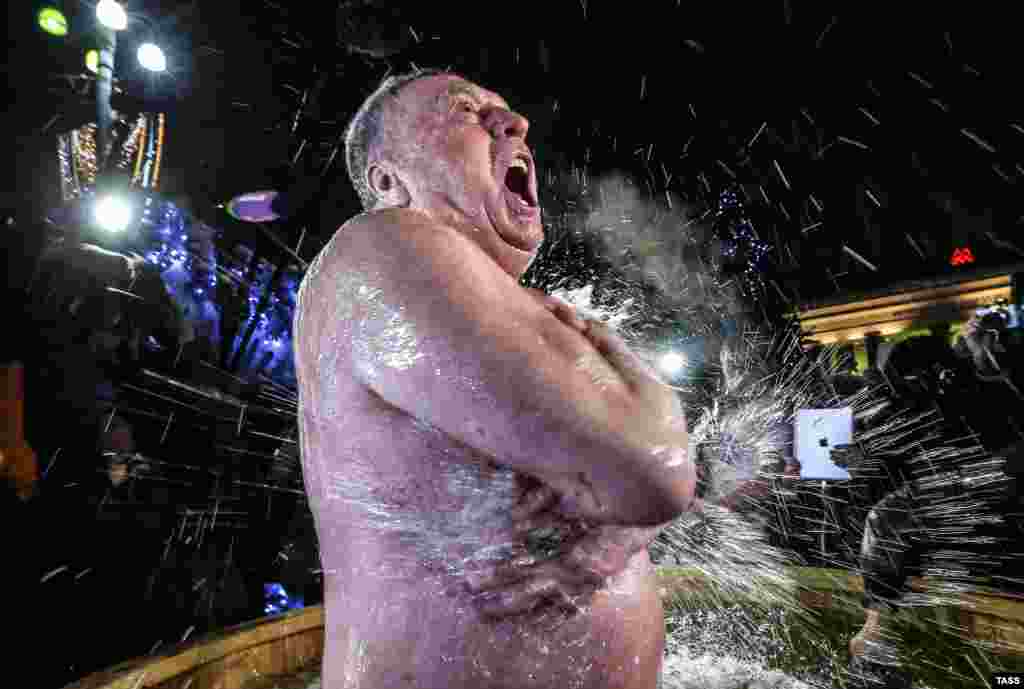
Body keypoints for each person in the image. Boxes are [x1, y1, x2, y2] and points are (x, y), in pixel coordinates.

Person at [294, 71, 700, 688]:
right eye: (466, 110)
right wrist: (630, 387)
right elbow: (656, 467)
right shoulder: (384, 243)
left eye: (506, 111)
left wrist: (617, 524)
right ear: (386, 180)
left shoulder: (503, 314)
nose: (513, 124)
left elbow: (642, 476)